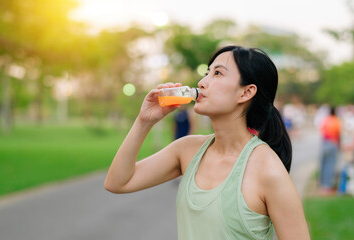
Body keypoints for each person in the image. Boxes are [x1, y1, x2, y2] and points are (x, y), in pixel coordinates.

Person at [104, 45, 310, 239]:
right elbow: (118, 183)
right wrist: (144, 121)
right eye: (207, 73)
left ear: (246, 92)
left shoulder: (268, 170)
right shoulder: (187, 150)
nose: (202, 83)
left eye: (218, 73)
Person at [319, 106, 341, 195]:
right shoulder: (336, 121)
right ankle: (327, 186)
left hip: (325, 143)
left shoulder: (326, 120)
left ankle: (322, 184)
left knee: (324, 164)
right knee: (330, 165)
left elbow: (322, 131)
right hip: (332, 144)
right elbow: (338, 134)